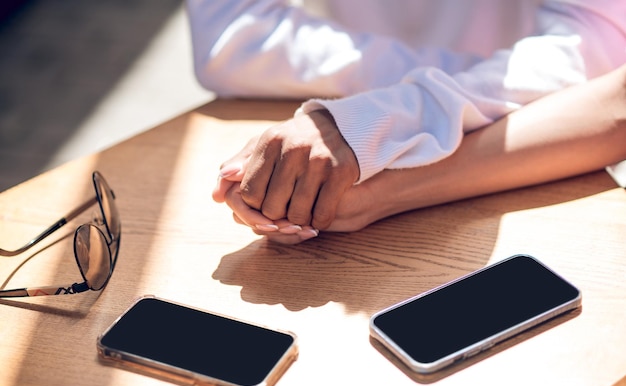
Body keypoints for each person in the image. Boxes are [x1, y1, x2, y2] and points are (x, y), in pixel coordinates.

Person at [186, 1, 626, 243]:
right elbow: (231, 38)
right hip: (522, 125)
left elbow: (602, 56)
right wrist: (390, 123)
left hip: (561, 183)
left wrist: (379, 124)